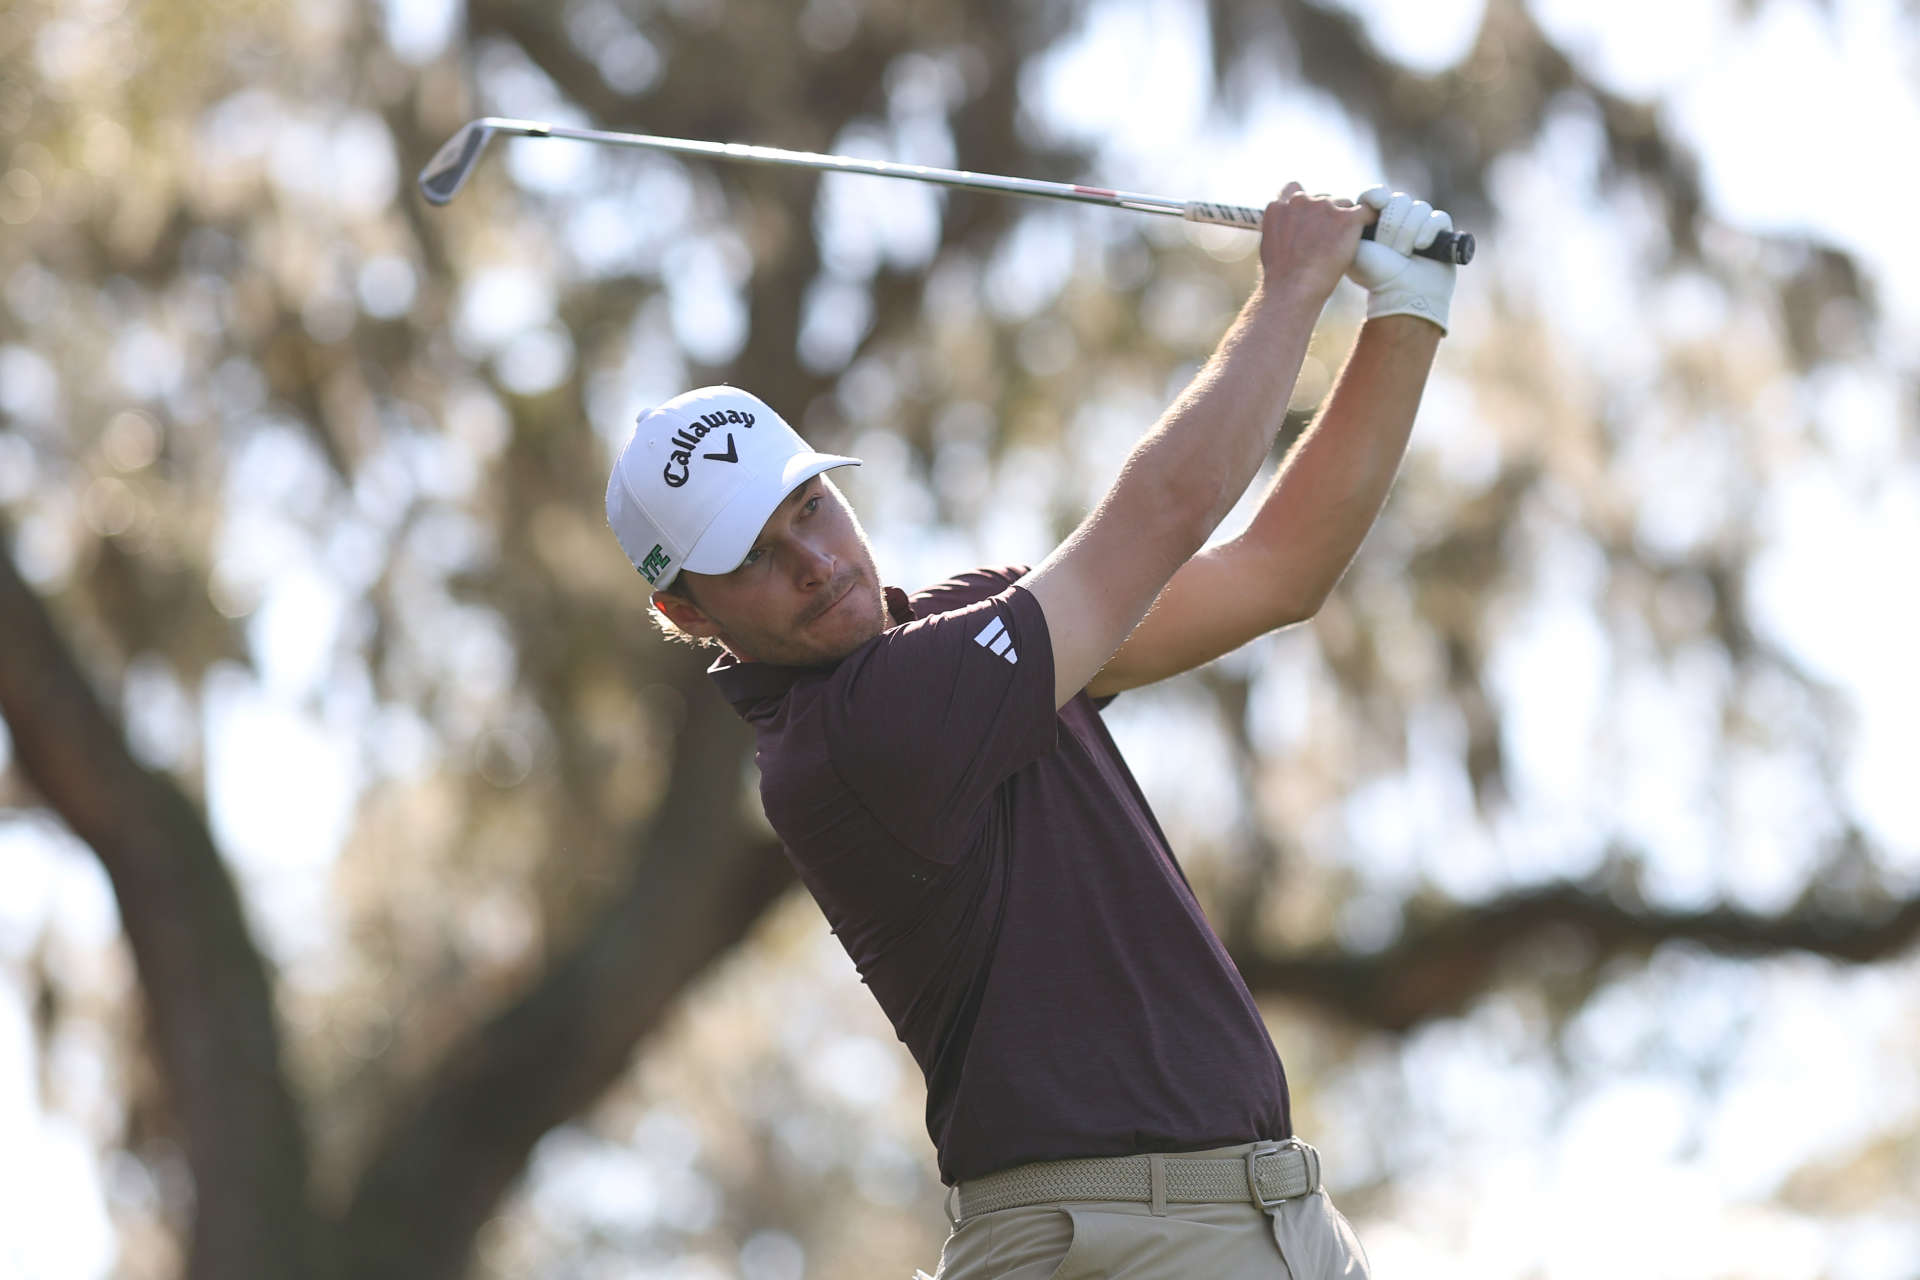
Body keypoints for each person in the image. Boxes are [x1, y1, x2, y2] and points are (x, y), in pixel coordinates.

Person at [604, 183, 1455, 1279]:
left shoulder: (981, 631)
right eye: (754, 555)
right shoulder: (852, 737)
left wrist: (1406, 307)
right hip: (1116, 1240)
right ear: (687, 612)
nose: (814, 562)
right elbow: (1163, 510)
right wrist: (1294, 285)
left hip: (1269, 1216)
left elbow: (1276, 572)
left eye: (810, 507)